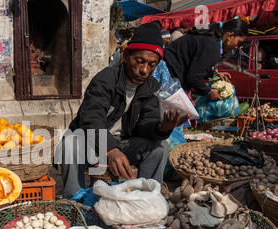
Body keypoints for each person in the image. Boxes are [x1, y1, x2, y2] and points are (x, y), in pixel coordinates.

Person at [57, 23, 189, 199]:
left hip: (123, 143)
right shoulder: (106, 78)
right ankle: (75, 201)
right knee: (70, 143)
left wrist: (162, 128)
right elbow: (91, 118)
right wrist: (110, 150)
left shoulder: (151, 86)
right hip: (91, 143)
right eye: (139, 61)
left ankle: (147, 199)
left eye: (151, 65)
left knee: (160, 147)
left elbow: (145, 126)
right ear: (126, 56)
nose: (144, 70)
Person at [163, 18, 248, 101]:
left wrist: (213, 74)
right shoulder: (213, 46)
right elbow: (193, 78)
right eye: (239, 42)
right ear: (230, 36)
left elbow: (195, 67)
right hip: (167, 77)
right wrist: (209, 92)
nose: (237, 47)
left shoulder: (211, 37)